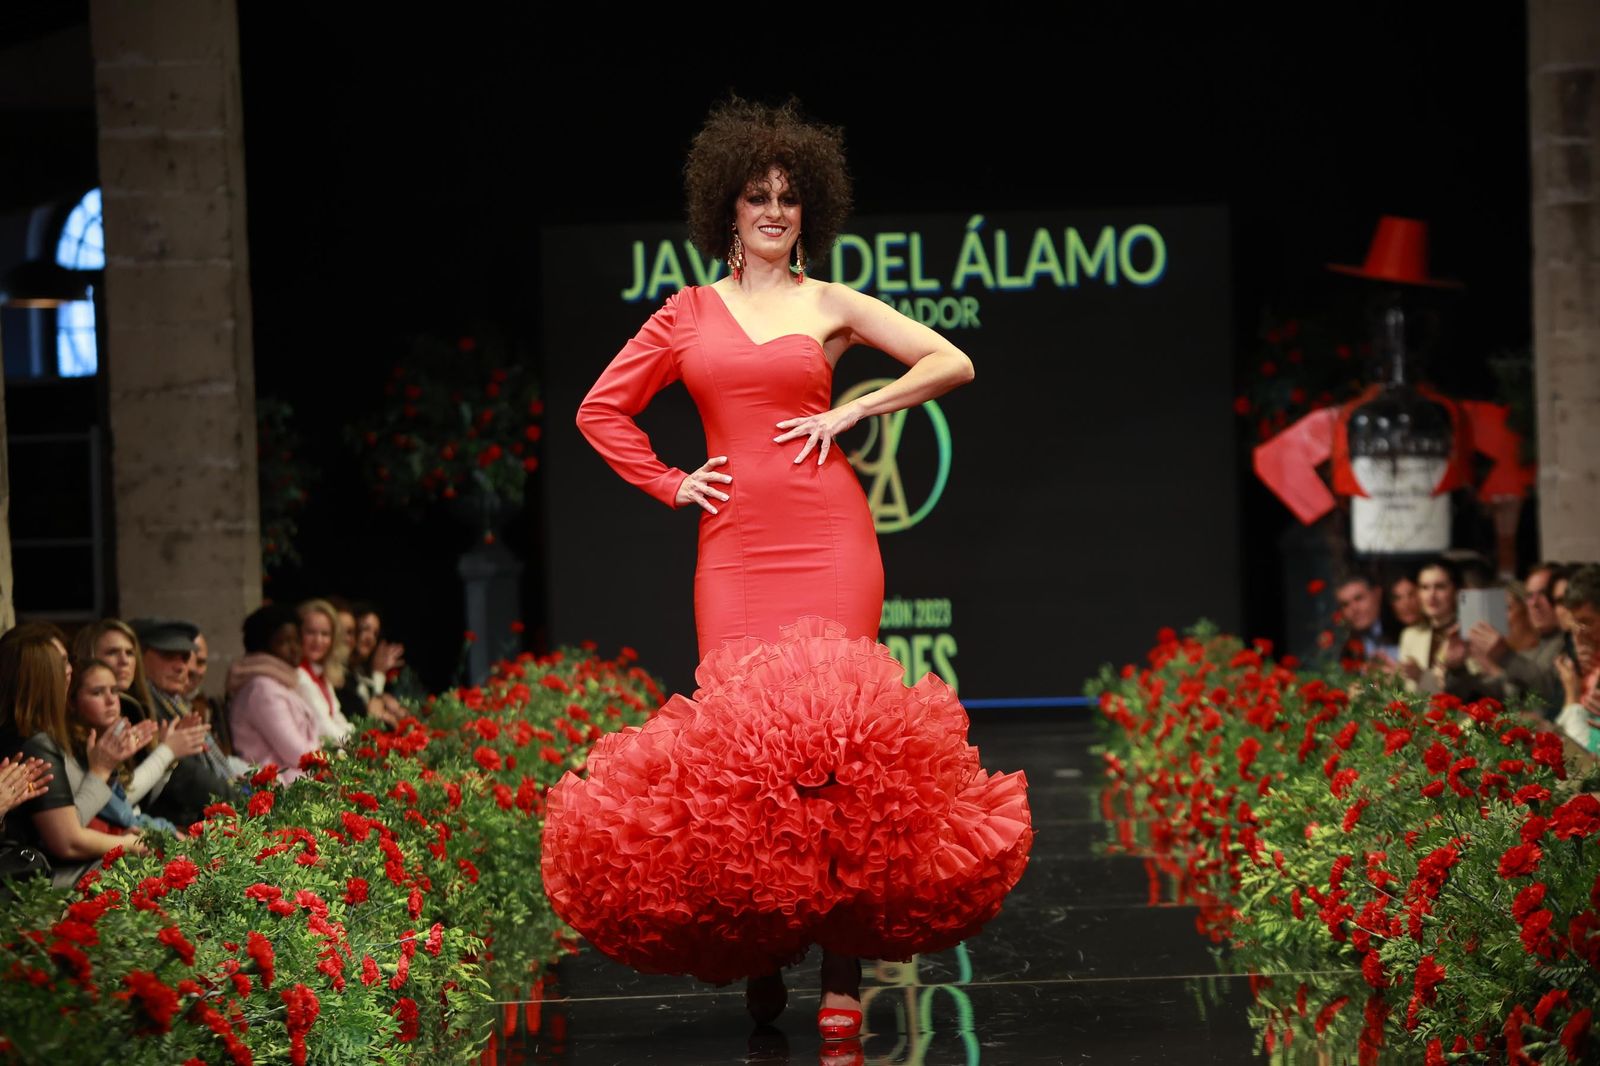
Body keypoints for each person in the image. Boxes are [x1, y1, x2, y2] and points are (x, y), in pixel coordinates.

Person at [544, 97, 1032, 1045]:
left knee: (840, 759)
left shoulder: (829, 304)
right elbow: (600, 412)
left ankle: (841, 978)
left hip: (830, 534)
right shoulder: (684, 315)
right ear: (724, 208)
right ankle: (763, 946)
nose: (773, 210)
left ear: (809, 211)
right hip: (733, 548)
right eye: (756, 196)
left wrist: (858, 410)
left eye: (789, 198)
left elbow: (951, 360)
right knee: (744, 755)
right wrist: (671, 482)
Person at [0, 628, 150, 885]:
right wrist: (129, 843)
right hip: (33, 882)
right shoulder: (33, 740)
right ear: (41, 675)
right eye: (60, 663)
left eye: (68, 660)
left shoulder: (31, 733)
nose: (70, 670)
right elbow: (67, 839)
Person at [128, 618, 242, 826]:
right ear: (140, 656)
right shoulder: (141, 706)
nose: (182, 667)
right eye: (168, 655)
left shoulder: (174, 702)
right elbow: (186, 775)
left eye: (184, 657)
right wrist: (241, 801)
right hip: (170, 826)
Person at [227, 604, 324, 783]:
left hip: (296, 779)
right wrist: (325, 753)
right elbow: (298, 754)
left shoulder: (279, 682)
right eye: (284, 642)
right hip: (279, 788)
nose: (294, 649)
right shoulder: (262, 689)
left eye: (296, 640)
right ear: (263, 647)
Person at [1464, 563, 1568, 716]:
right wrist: (1456, 669)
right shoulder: (1530, 649)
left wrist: (1503, 657)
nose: (1534, 603)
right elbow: (1500, 696)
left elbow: (1550, 690)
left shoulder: (1566, 642)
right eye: (1530, 596)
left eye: (1544, 594)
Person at [1554, 563, 1600, 752]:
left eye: (1587, 622)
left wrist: (1572, 696)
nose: (1580, 632)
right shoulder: (1576, 658)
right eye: (1576, 622)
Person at [72, 618, 156, 722]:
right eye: (112, 652)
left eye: (129, 653)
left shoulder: (138, 709)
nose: (124, 661)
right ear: (89, 657)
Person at [296, 599, 354, 743]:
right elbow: (323, 726)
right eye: (310, 632)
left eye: (325, 634)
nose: (318, 640)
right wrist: (355, 745)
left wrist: (361, 738)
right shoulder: (298, 674)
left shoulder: (321, 672)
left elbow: (336, 717)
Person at [1332, 574, 1395, 664]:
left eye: (1359, 598)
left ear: (1377, 594)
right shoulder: (1345, 648)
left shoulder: (1401, 624)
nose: (1354, 609)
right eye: (1345, 605)